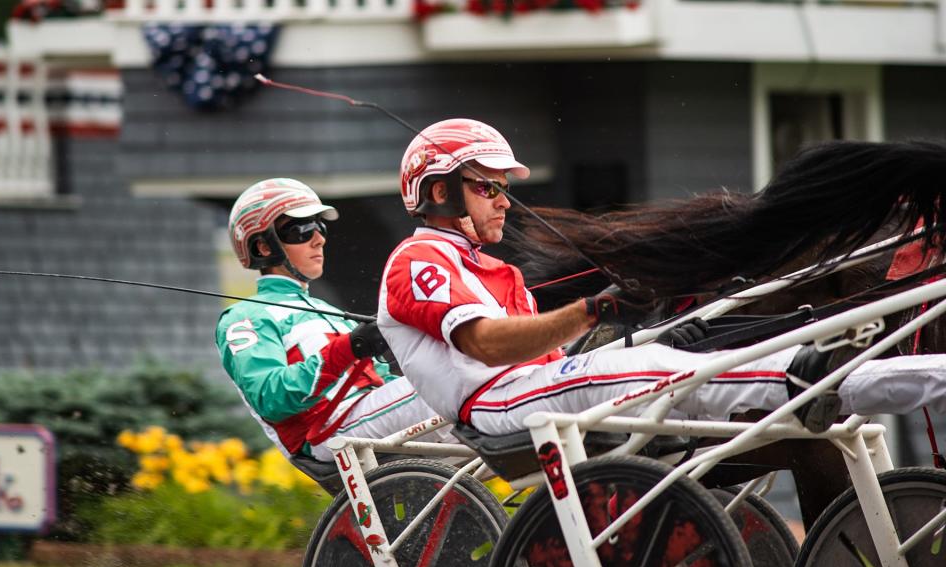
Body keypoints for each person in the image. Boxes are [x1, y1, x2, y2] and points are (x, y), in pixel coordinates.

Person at [377, 118, 946, 436]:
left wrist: (627, 321)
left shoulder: (492, 271)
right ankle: (801, 383)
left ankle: (830, 379)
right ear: (440, 192)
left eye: (505, 187)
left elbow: (543, 352)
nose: (504, 201)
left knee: (691, 352)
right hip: (498, 401)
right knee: (660, 369)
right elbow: (482, 343)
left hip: (536, 388)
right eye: (489, 187)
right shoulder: (417, 260)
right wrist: (592, 311)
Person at [216, 178, 450, 463]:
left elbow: (383, 381)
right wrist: (349, 348)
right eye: (301, 230)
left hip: (369, 418)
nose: (319, 239)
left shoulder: (328, 310)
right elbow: (270, 398)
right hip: (327, 434)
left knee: (462, 368)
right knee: (449, 382)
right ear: (264, 247)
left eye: (319, 227)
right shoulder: (246, 317)